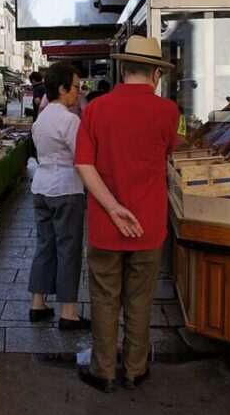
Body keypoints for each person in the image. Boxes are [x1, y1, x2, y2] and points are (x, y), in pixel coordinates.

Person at [74, 36, 181, 393]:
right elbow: (168, 151)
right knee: (140, 299)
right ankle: (134, 368)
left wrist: (113, 207)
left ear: (122, 68)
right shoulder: (168, 111)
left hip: (106, 225)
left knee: (104, 299)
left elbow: (84, 165)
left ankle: (103, 371)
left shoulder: (95, 109)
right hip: (148, 223)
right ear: (155, 74)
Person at [27, 62, 89, 330]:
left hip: (41, 187)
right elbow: (82, 158)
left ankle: (37, 304)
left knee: (45, 246)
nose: (79, 91)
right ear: (63, 88)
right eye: (76, 87)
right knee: (68, 249)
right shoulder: (70, 120)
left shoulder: (41, 120)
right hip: (66, 189)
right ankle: (68, 311)